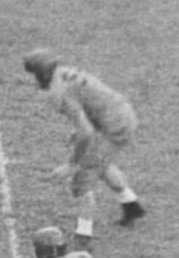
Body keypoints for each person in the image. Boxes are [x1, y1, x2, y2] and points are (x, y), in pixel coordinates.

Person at [24, 50, 146, 246]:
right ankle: (131, 205)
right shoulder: (64, 72)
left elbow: (86, 133)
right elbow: (90, 102)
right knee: (99, 161)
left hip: (114, 125)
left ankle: (83, 238)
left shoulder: (59, 91)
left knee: (82, 180)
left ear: (41, 73)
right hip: (120, 113)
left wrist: (72, 164)